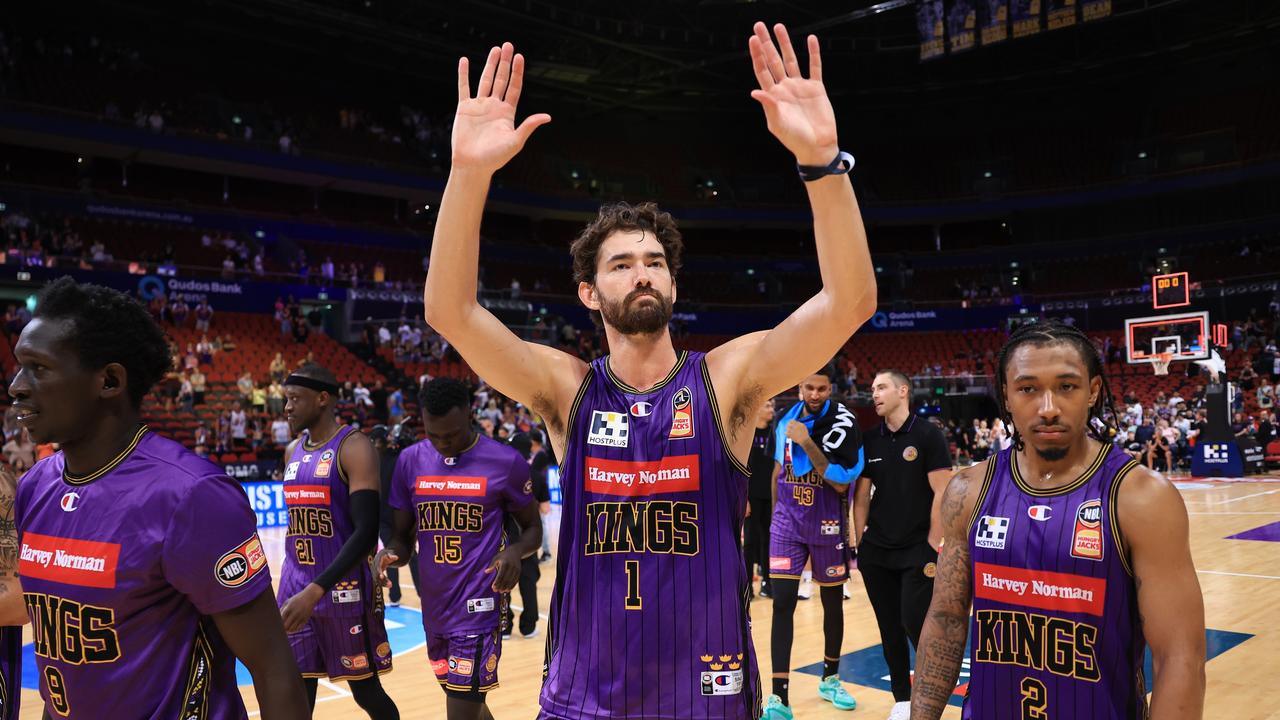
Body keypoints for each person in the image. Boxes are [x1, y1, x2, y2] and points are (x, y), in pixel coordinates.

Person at [422, 24, 875, 720]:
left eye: (655, 261)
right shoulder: (564, 389)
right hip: (583, 697)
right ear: (589, 292)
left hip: (709, 695)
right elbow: (449, 311)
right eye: (622, 263)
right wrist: (469, 173)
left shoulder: (728, 380)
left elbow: (850, 303)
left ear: (673, 285)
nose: (643, 273)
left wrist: (822, 163)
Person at [9, 277, 307, 718]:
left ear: (108, 380)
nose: (16, 385)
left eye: (39, 367)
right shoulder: (34, 487)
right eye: (19, 365)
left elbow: (273, 667)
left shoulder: (191, 496)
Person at [910, 321, 1206, 719]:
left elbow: (1179, 658)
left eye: (1066, 386)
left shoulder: (1141, 497)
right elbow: (945, 619)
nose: (1048, 408)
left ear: (1093, 392)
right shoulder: (967, 491)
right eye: (1028, 388)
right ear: (1007, 397)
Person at [376, 378, 542, 720]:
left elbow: (533, 529)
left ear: (470, 413)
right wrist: (389, 554)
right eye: (433, 435)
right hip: (435, 608)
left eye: (450, 435)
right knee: (472, 707)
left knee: (461, 711)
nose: (442, 444)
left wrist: (514, 552)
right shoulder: (410, 461)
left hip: (480, 604)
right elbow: (402, 539)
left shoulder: (505, 461)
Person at [277, 363, 399, 718]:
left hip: (341, 590)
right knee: (298, 694)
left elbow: (364, 534)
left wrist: (315, 590)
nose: (287, 407)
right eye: (286, 399)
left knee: (367, 693)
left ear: (323, 399)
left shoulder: (354, 447)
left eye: (295, 399)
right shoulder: (291, 451)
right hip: (295, 585)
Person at [851, 370, 952, 720]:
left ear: (902, 391)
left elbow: (943, 489)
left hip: (917, 549)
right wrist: (858, 538)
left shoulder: (927, 435)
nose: (874, 394)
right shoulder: (869, 439)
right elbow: (861, 494)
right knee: (888, 626)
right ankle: (902, 699)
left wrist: (932, 541)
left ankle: (929, 694)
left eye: (881, 387)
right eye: (872, 388)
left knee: (914, 620)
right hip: (876, 550)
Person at [766, 372, 864, 718]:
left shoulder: (843, 424)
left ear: (831, 389)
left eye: (822, 388)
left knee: (832, 604)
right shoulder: (783, 421)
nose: (815, 393)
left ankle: (830, 678)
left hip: (827, 526)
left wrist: (807, 442)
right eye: (809, 387)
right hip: (787, 527)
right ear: (798, 387)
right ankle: (779, 696)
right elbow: (778, 471)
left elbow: (840, 484)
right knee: (782, 605)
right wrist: (776, 517)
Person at [744, 398, 776, 598]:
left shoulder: (774, 434)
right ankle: (747, 585)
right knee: (750, 542)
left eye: (772, 406)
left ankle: (768, 583)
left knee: (768, 541)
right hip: (751, 497)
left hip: (770, 496)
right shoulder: (747, 433)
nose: (771, 409)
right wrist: (744, 498)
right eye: (767, 406)